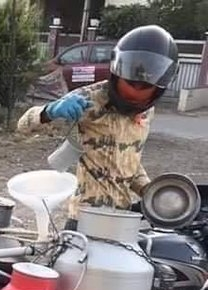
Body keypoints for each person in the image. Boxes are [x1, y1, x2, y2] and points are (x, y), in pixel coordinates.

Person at [18, 25, 179, 231]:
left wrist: (151, 192)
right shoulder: (88, 99)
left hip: (121, 221)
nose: (134, 92)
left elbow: (129, 160)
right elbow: (22, 126)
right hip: (84, 220)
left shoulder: (147, 113)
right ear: (117, 72)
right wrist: (48, 111)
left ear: (159, 87)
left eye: (144, 88)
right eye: (129, 83)